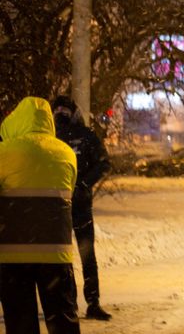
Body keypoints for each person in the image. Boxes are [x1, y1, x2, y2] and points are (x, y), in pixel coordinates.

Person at [0, 97, 81, 334]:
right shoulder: (66, 154)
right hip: (56, 255)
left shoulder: (4, 153)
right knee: (64, 323)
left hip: (13, 256)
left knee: (21, 324)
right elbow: (70, 191)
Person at [51, 96, 112, 321]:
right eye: (57, 109)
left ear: (73, 111)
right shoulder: (50, 136)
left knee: (87, 256)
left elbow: (104, 162)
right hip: (58, 207)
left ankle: (93, 303)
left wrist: (84, 183)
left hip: (81, 207)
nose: (61, 112)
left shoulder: (85, 136)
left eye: (65, 109)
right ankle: (69, 304)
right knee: (62, 258)